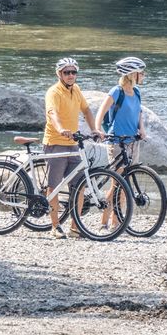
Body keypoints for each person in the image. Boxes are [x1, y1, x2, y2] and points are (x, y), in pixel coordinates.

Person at [43, 57, 102, 239]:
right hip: (55, 143)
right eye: (66, 72)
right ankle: (55, 226)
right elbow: (52, 113)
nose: (70, 75)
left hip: (73, 144)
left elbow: (86, 110)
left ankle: (75, 227)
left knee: (79, 186)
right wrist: (60, 129)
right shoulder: (53, 92)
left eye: (73, 72)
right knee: (53, 186)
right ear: (59, 74)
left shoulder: (76, 90)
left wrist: (95, 129)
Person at [93, 56, 147, 230]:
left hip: (132, 142)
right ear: (132, 74)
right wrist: (97, 129)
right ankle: (107, 222)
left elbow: (138, 113)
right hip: (117, 142)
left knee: (125, 184)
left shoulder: (137, 92)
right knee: (118, 184)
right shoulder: (117, 91)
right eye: (141, 72)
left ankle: (115, 222)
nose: (144, 75)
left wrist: (142, 129)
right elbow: (102, 111)